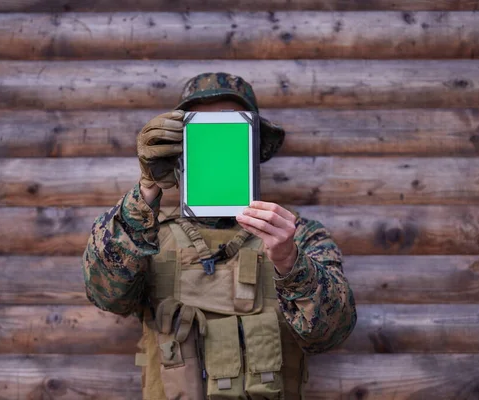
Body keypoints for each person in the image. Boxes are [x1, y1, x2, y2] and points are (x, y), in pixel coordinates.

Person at [82, 72, 357, 400]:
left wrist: (290, 262)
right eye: (201, 133)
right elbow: (105, 293)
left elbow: (331, 333)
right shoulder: (146, 232)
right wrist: (147, 189)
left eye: (230, 130)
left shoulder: (295, 235)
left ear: (253, 145)